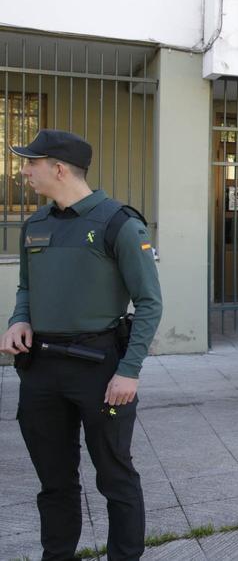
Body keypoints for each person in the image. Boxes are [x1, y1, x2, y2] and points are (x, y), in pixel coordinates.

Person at [0, 130, 162, 561]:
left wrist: (129, 370)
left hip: (101, 370)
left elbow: (149, 302)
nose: (24, 170)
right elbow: (26, 288)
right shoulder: (35, 224)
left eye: (31, 162)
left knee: (115, 478)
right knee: (54, 482)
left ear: (58, 168)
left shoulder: (119, 224)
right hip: (41, 371)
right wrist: (18, 320)